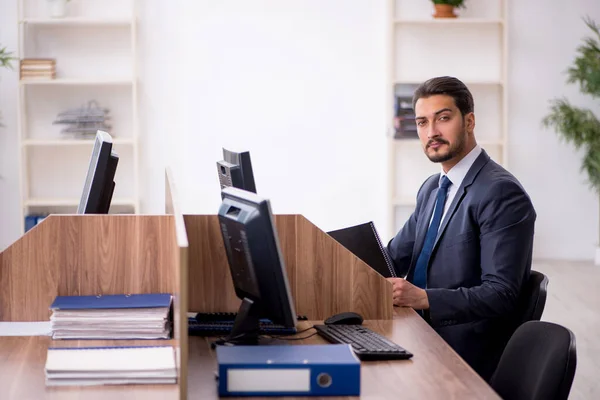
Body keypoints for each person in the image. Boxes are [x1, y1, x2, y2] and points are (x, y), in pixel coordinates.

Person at [386, 76, 536, 381]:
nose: (432, 132)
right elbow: (392, 257)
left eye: (443, 118)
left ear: (469, 121)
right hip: (416, 332)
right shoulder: (433, 187)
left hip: (460, 353)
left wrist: (424, 298)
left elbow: (501, 293)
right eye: (422, 122)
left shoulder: (501, 193)